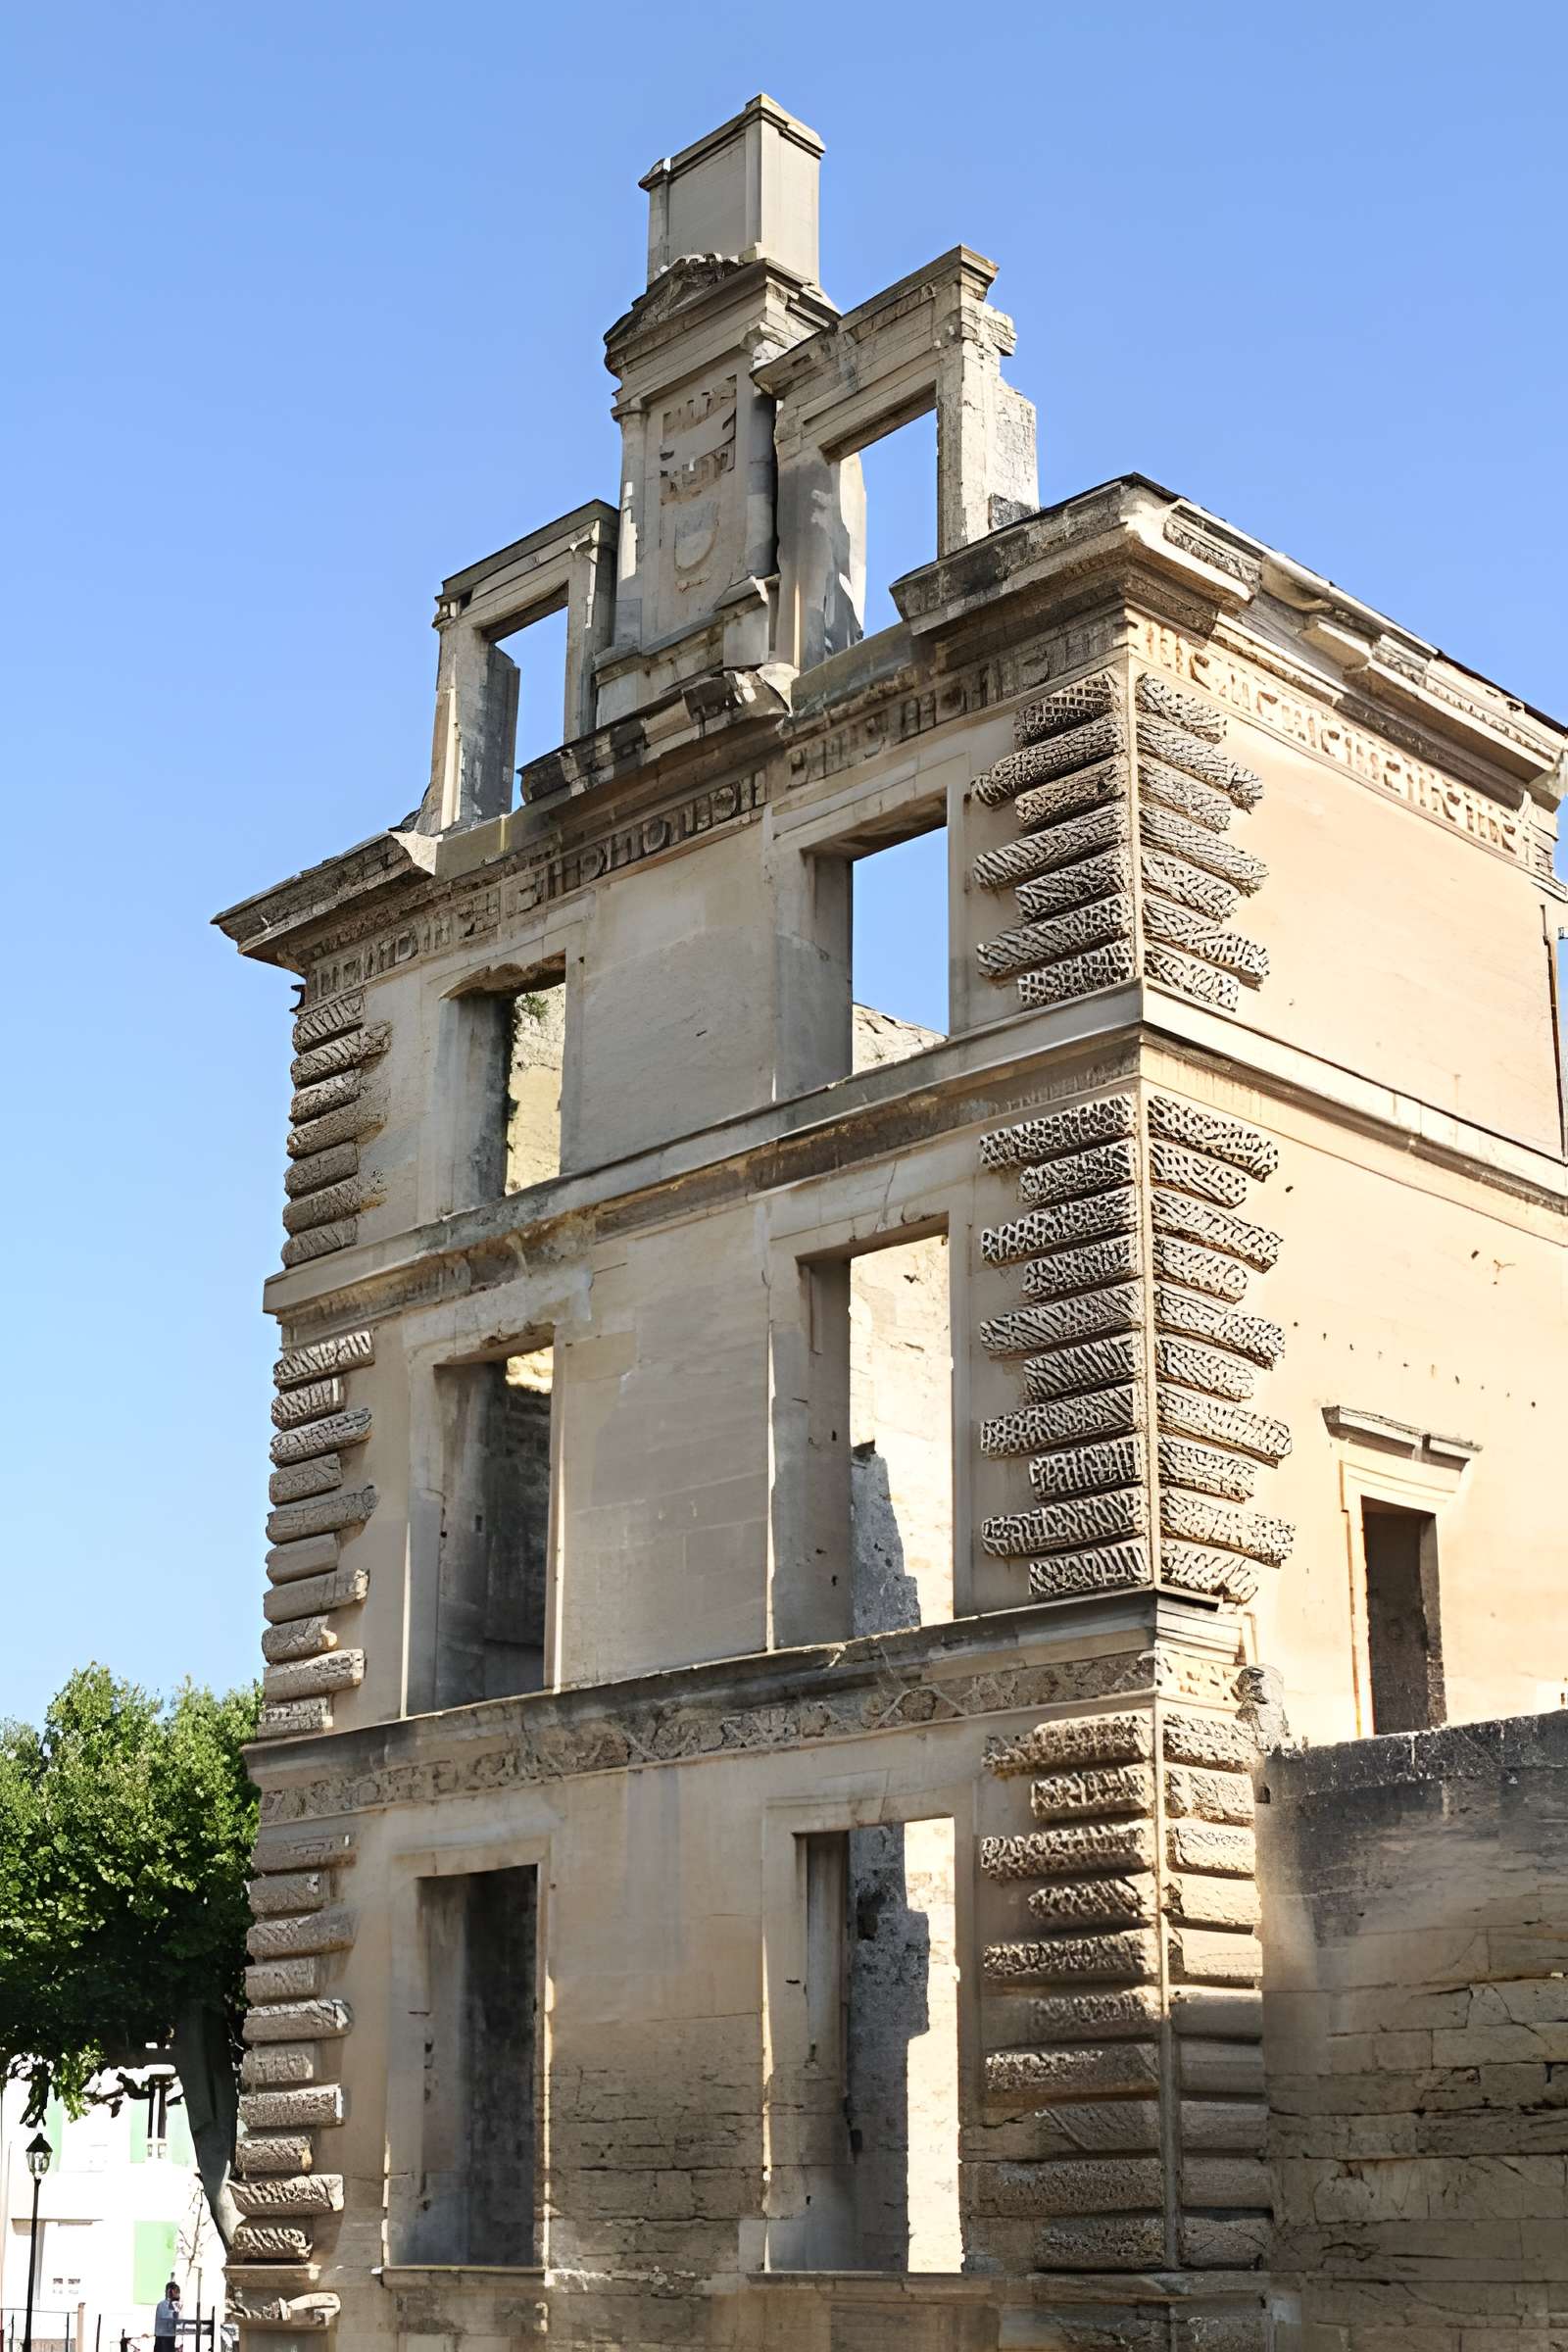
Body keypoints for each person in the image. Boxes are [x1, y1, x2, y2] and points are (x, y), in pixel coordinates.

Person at [154, 2280, 181, 2351]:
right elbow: (169, 2319)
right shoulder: (162, 2305)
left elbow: (176, 2321)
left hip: (171, 2338)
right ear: (169, 2291)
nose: (177, 2293)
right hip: (162, 2339)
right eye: (175, 2291)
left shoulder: (175, 2304)